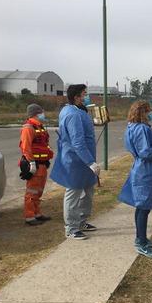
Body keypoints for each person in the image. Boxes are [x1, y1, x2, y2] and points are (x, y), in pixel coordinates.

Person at [119, 101, 152, 258]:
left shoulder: (132, 127)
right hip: (144, 171)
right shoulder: (141, 128)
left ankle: (142, 238)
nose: (151, 113)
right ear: (143, 112)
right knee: (143, 207)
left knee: (142, 206)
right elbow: (145, 152)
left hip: (142, 170)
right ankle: (140, 243)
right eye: (149, 111)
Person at [50, 84, 100, 240]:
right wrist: (90, 162)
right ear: (77, 97)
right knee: (73, 193)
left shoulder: (77, 111)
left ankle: (81, 221)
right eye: (84, 94)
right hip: (76, 160)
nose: (87, 96)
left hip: (84, 160)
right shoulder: (72, 114)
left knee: (88, 191)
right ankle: (71, 227)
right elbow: (77, 142)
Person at [19, 103, 54, 226]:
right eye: (41, 112)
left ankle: (37, 213)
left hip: (42, 164)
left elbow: (44, 144)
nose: (43, 114)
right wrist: (31, 163)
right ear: (36, 113)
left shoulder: (40, 127)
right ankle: (29, 216)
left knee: (39, 191)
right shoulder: (29, 128)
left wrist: (48, 156)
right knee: (32, 191)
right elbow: (26, 147)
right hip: (35, 165)